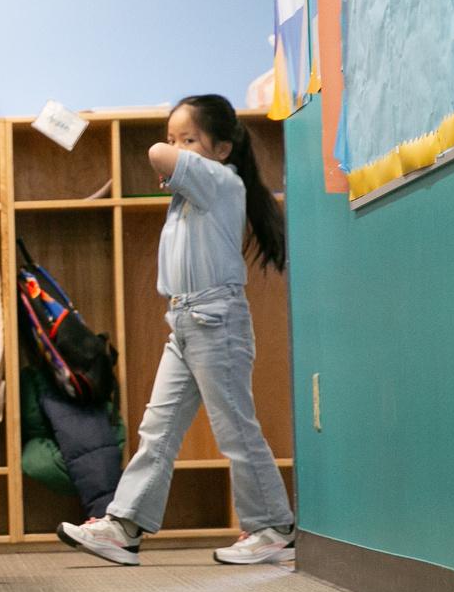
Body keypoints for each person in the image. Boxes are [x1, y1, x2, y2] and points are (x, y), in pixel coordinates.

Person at [57, 94, 296, 567]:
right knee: (158, 429)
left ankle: (272, 526)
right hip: (184, 322)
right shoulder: (192, 192)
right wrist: (182, 149)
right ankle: (123, 527)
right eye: (173, 138)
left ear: (223, 148)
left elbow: (154, 156)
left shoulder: (220, 180)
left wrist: (171, 151)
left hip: (216, 320)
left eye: (189, 139)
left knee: (234, 429)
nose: (175, 148)